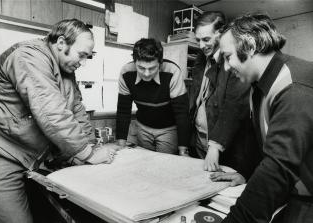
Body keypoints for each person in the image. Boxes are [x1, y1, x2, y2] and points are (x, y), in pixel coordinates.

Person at [0, 19, 118, 223]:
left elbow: (77, 110)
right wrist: (88, 153)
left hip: (31, 155)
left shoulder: (66, 70)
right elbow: (52, 113)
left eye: (87, 57)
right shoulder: (29, 57)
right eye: (81, 55)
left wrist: (90, 145)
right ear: (62, 43)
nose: (82, 62)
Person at [215, 13, 313, 222]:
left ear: (249, 47)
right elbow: (264, 143)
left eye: (227, 56)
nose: (225, 67)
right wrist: (246, 173)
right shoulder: (257, 86)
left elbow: (278, 168)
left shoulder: (293, 87)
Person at [189, 11, 260, 178]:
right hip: (200, 139)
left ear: (221, 34)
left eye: (206, 39)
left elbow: (234, 104)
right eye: (197, 40)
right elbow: (195, 97)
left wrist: (215, 146)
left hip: (224, 144)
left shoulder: (232, 59)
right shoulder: (202, 57)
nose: (200, 45)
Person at [116, 38, 191, 155]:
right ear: (134, 61)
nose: (146, 73)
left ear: (160, 63)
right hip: (142, 126)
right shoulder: (126, 73)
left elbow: (182, 113)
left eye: (152, 68)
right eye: (141, 68)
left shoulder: (172, 71)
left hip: (168, 129)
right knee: (144, 163)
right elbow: (123, 110)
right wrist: (121, 145)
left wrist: (183, 150)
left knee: (164, 166)